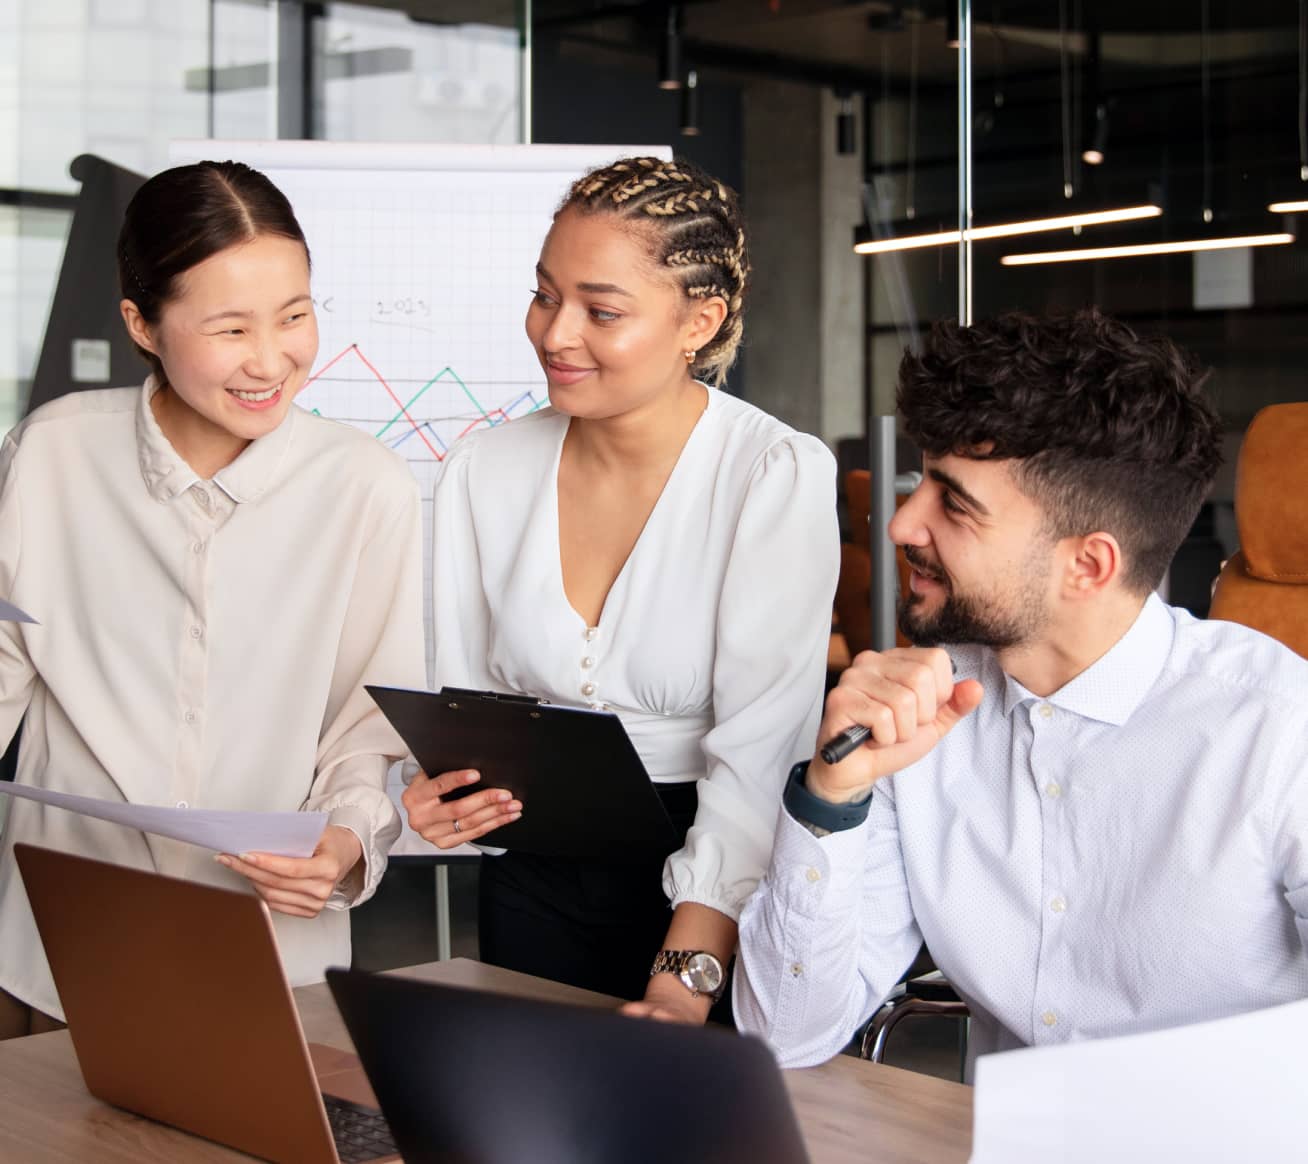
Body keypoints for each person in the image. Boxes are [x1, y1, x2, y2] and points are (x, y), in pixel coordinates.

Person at [735, 308, 1308, 1067]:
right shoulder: (921, 715)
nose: (902, 524)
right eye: (918, 486)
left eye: (955, 504)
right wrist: (831, 798)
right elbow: (784, 1034)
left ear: (1089, 566)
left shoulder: (1277, 727)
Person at [402, 156, 840, 1019]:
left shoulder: (770, 472)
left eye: (601, 311)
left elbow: (760, 753)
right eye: (544, 295)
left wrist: (685, 977)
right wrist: (445, 794)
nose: (555, 334)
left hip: (711, 890)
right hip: (532, 876)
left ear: (699, 322)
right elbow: (464, 708)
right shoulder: (483, 469)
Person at [0, 161, 425, 1038]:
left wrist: (341, 847)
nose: (271, 359)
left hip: (274, 963)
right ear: (141, 325)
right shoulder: (50, 454)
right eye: (230, 328)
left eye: (296, 316)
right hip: (58, 956)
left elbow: (366, 728)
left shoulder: (364, 487)